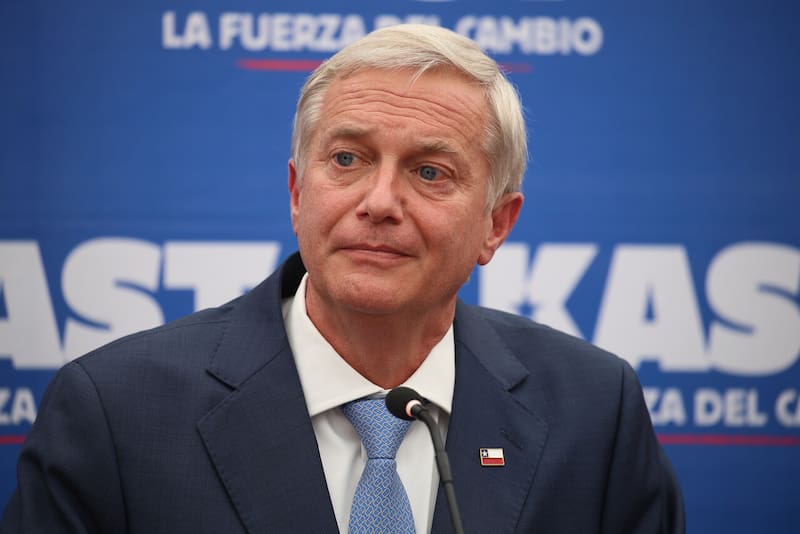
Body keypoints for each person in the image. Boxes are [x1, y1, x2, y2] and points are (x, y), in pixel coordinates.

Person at [0, 24, 684, 533]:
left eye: (430, 172)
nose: (379, 202)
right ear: (298, 193)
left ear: (495, 225)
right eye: (348, 159)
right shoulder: (115, 413)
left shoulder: (595, 414)